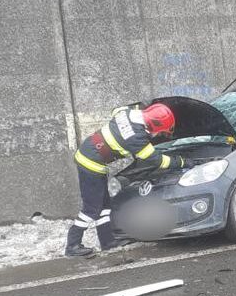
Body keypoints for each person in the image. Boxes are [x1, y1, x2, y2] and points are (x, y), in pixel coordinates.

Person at [65, 102, 190, 257]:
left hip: (92, 157)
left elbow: (116, 108)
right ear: (154, 125)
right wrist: (182, 162)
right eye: (161, 132)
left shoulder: (127, 113)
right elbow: (156, 160)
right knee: (91, 210)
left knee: (105, 206)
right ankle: (72, 245)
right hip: (90, 165)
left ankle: (108, 242)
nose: (159, 135)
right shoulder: (136, 138)